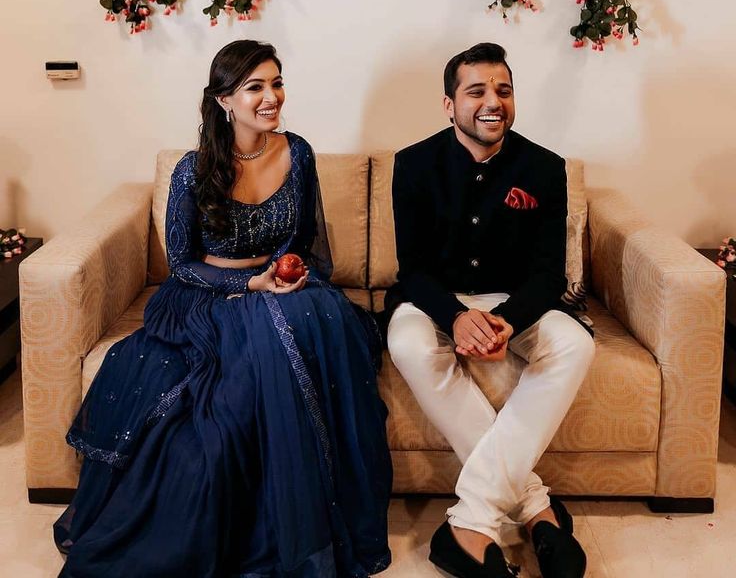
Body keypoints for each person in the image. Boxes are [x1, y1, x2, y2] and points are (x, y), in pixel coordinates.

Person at [54, 40, 392, 578]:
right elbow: (181, 262)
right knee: (239, 377)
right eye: (255, 87)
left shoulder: (298, 152)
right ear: (223, 100)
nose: (271, 97)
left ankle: (307, 515)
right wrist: (246, 281)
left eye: (276, 83)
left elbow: (307, 242)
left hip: (278, 289)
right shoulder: (194, 169)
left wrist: (291, 272)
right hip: (208, 295)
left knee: (318, 318)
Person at [385, 43, 594, 578]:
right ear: (449, 104)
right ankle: (535, 508)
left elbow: (549, 274)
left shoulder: (546, 168)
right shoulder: (413, 164)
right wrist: (455, 317)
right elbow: (413, 270)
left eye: (503, 90)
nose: (492, 102)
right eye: (475, 91)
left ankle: (469, 526)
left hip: (513, 304)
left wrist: (508, 320)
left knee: (575, 343)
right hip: (436, 303)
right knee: (407, 340)